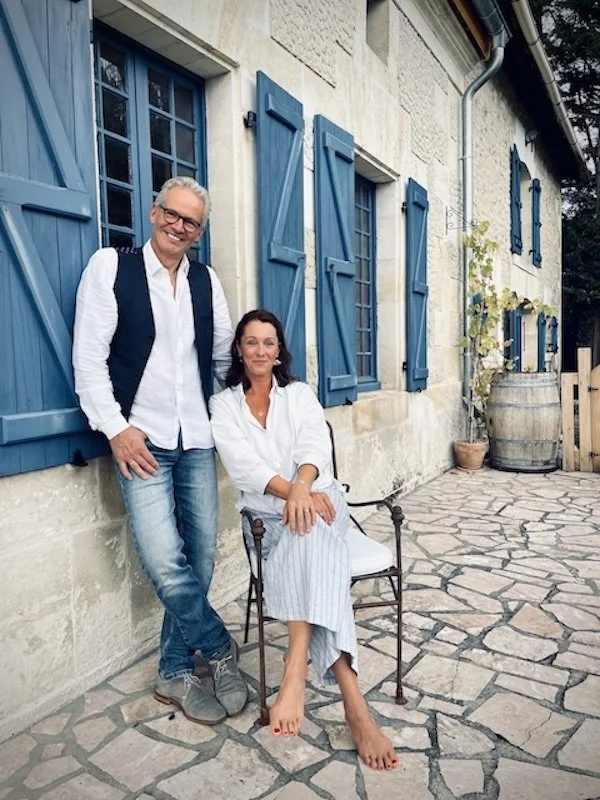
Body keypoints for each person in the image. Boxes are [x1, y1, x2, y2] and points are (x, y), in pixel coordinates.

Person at [73, 176, 248, 725]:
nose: (178, 226)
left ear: (200, 231)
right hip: (140, 440)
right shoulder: (111, 267)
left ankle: (173, 670)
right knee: (164, 560)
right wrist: (116, 428)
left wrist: (251, 413)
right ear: (154, 213)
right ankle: (219, 650)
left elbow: (222, 361)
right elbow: (88, 359)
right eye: (171, 214)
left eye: (190, 221)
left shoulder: (206, 281)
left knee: (199, 559)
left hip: (196, 438)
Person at [209, 309, 399, 771]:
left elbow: (314, 446)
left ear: (279, 352)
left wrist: (303, 488)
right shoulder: (224, 406)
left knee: (309, 527)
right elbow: (245, 469)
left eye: (268, 343)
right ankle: (354, 703)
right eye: (251, 342)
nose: (259, 351)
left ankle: (294, 672)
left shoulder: (299, 394)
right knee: (307, 538)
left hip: (319, 501)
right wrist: (294, 494)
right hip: (266, 519)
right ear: (239, 348)